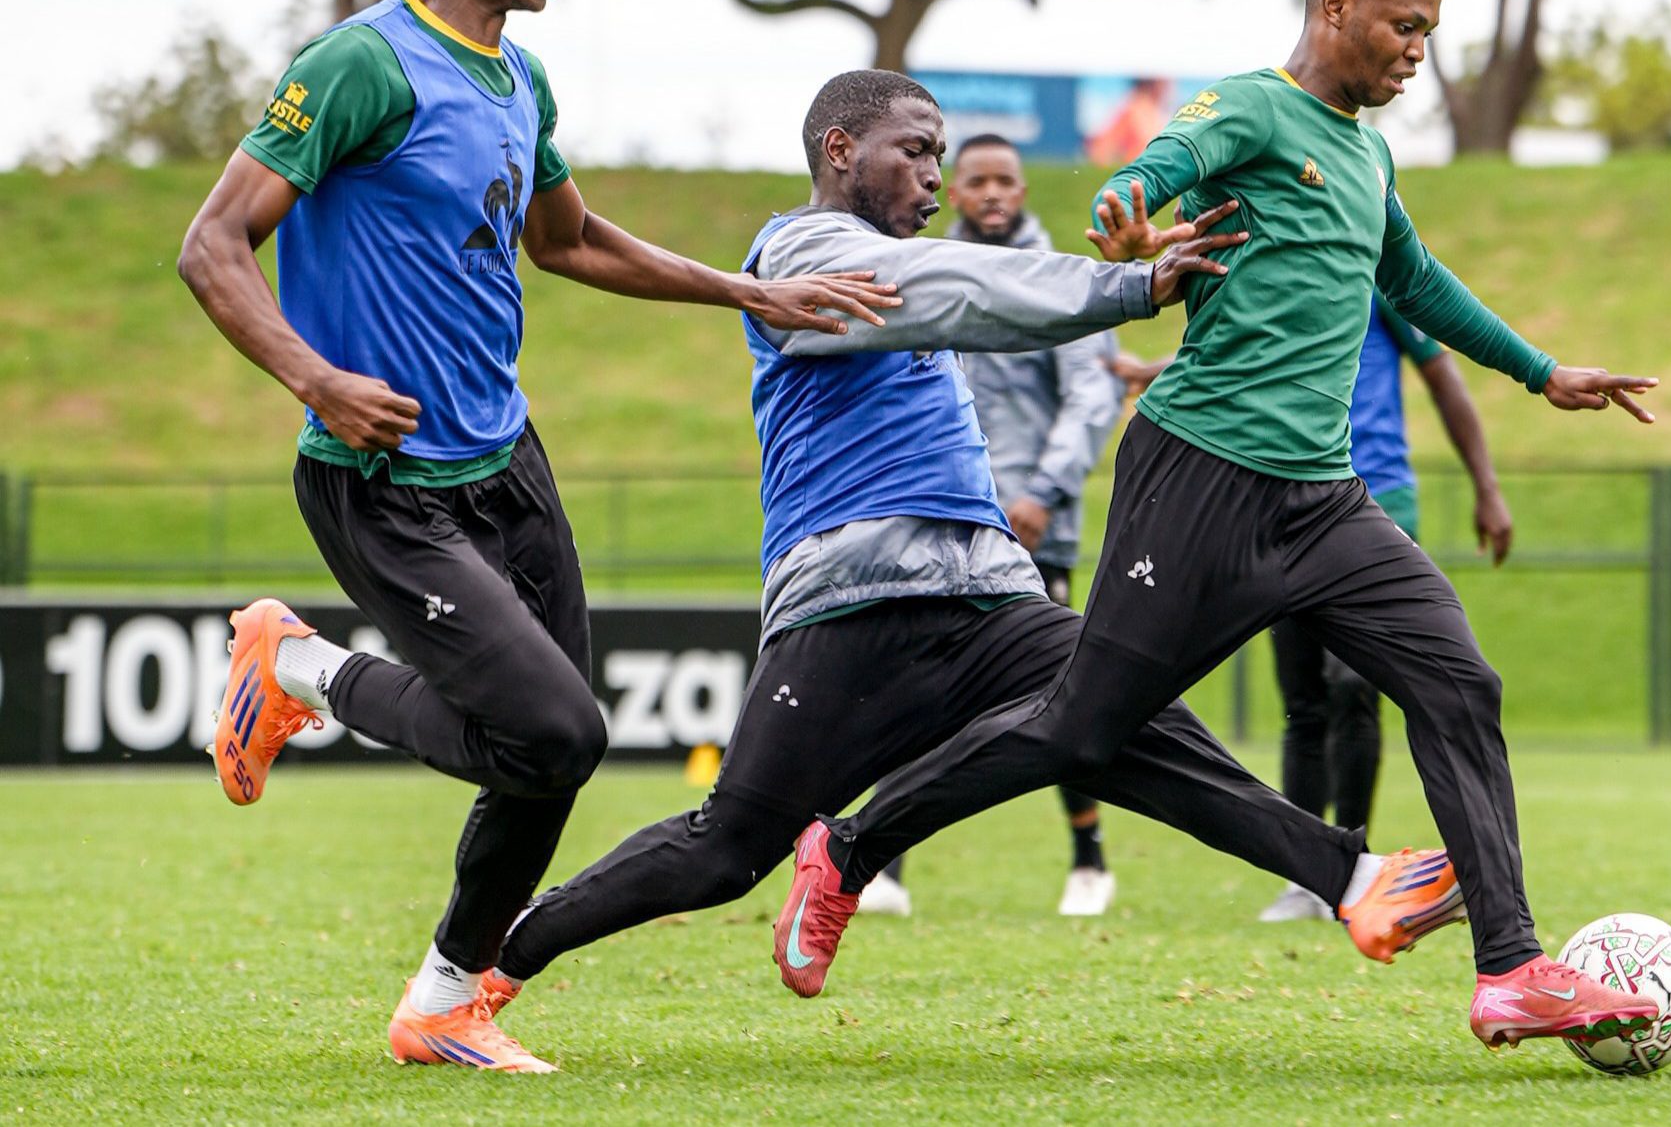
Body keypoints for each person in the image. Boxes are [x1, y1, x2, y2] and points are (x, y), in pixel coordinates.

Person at [776, 0, 1665, 1052]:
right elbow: (1142, 178)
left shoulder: (1366, 155)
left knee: (1460, 683)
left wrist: (1545, 373)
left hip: (1324, 500)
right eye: (1403, 26)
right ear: (1335, 6)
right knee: (1080, 726)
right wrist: (1126, 219)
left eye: (1430, 35)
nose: (1415, 54)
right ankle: (846, 852)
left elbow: (1419, 283)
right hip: (1197, 476)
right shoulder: (1249, 106)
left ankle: (1509, 966)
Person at [473, 70, 1456, 1037]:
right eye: (914, 151)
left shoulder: (912, 258)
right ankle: (500, 954)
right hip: (851, 601)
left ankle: (1352, 877)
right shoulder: (799, 247)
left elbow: (992, 301)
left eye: (940, 155)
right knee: (724, 851)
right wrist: (1129, 283)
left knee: (1121, 721)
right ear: (839, 150)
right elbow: (952, 283)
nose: (934, 176)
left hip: (984, 591)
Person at [177, 0, 896, 1074]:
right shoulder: (362, 65)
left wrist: (746, 289)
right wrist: (316, 378)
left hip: (506, 462)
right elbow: (212, 242)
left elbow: (569, 241)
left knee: (548, 757)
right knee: (557, 732)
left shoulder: (520, 83)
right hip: (380, 477)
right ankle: (290, 665)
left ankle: (444, 1002)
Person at [860, 134, 1125, 921]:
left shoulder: (1059, 280)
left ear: (1023, 190)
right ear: (955, 190)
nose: (992, 192)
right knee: (908, 689)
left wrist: (1043, 492)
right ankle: (883, 865)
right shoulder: (929, 268)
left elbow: (1091, 395)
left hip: (1033, 528)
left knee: (1060, 693)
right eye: (976, 180)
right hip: (943, 517)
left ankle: (1089, 858)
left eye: (1006, 178)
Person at [1257, 294, 1514, 922]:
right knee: (1303, 698)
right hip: (1283, 502)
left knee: (1354, 688)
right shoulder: (1274, 268)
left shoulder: (1374, 272)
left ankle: (1354, 865)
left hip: (1375, 505)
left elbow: (1442, 374)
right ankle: (1307, 879)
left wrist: (1487, 487)